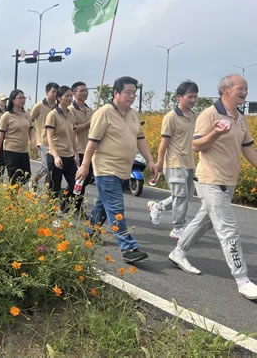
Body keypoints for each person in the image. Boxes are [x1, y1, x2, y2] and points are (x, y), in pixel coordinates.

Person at [168, 75, 257, 300]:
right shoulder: (210, 114)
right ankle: (242, 279)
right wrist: (216, 132)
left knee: (204, 220)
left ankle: (178, 252)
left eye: (246, 88)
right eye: (241, 88)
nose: (245, 92)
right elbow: (196, 144)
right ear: (225, 90)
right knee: (229, 229)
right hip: (211, 179)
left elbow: (248, 148)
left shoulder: (239, 117)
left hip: (229, 180)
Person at [76, 76, 157, 264]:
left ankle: (90, 232)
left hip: (124, 168)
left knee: (104, 205)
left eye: (134, 93)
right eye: (128, 92)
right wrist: (85, 165)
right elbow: (92, 142)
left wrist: (150, 160)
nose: (132, 96)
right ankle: (128, 248)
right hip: (106, 167)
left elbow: (140, 139)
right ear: (116, 93)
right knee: (115, 206)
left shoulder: (133, 114)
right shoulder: (104, 113)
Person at [147, 81, 199, 239]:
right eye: (190, 96)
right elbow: (164, 142)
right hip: (174, 162)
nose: (193, 100)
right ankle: (178, 228)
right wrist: (160, 162)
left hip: (189, 163)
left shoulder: (193, 116)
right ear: (179, 97)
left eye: (195, 97)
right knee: (181, 196)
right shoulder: (171, 117)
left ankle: (158, 206)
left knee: (185, 197)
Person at [0, 90, 36, 185]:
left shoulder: (27, 115)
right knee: (14, 176)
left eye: (24, 98)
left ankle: (14, 192)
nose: (23, 100)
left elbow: (31, 129)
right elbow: (0, 135)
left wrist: (33, 142)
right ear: (13, 100)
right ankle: (12, 197)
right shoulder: (7, 116)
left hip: (23, 150)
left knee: (26, 176)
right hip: (10, 150)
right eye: (20, 98)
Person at [45, 86, 79, 211]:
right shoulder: (52, 115)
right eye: (67, 96)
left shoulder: (71, 115)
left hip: (69, 155)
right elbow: (49, 136)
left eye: (71, 95)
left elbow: (73, 136)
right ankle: (50, 214)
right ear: (59, 98)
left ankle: (65, 203)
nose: (70, 98)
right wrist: (55, 156)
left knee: (76, 184)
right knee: (54, 187)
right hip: (56, 155)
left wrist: (76, 155)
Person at [30, 82, 59, 190]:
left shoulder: (58, 107)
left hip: (56, 142)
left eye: (57, 91)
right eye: (53, 91)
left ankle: (48, 190)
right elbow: (29, 121)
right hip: (42, 141)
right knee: (46, 166)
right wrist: (32, 140)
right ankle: (34, 179)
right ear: (47, 92)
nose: (55, 94)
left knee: (52, 168)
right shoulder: (39, 106)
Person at [69, 82, 93, 208]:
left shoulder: (89, 110)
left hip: (89, 148)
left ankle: (66, 197)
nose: (85, 93)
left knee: (87, 179)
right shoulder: (71, 110)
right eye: (82, 90)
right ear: (74, 93)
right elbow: (72, 128)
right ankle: (76, 206)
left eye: (86, 90)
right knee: (79, 180)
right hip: (77, 148)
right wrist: (87, 124)